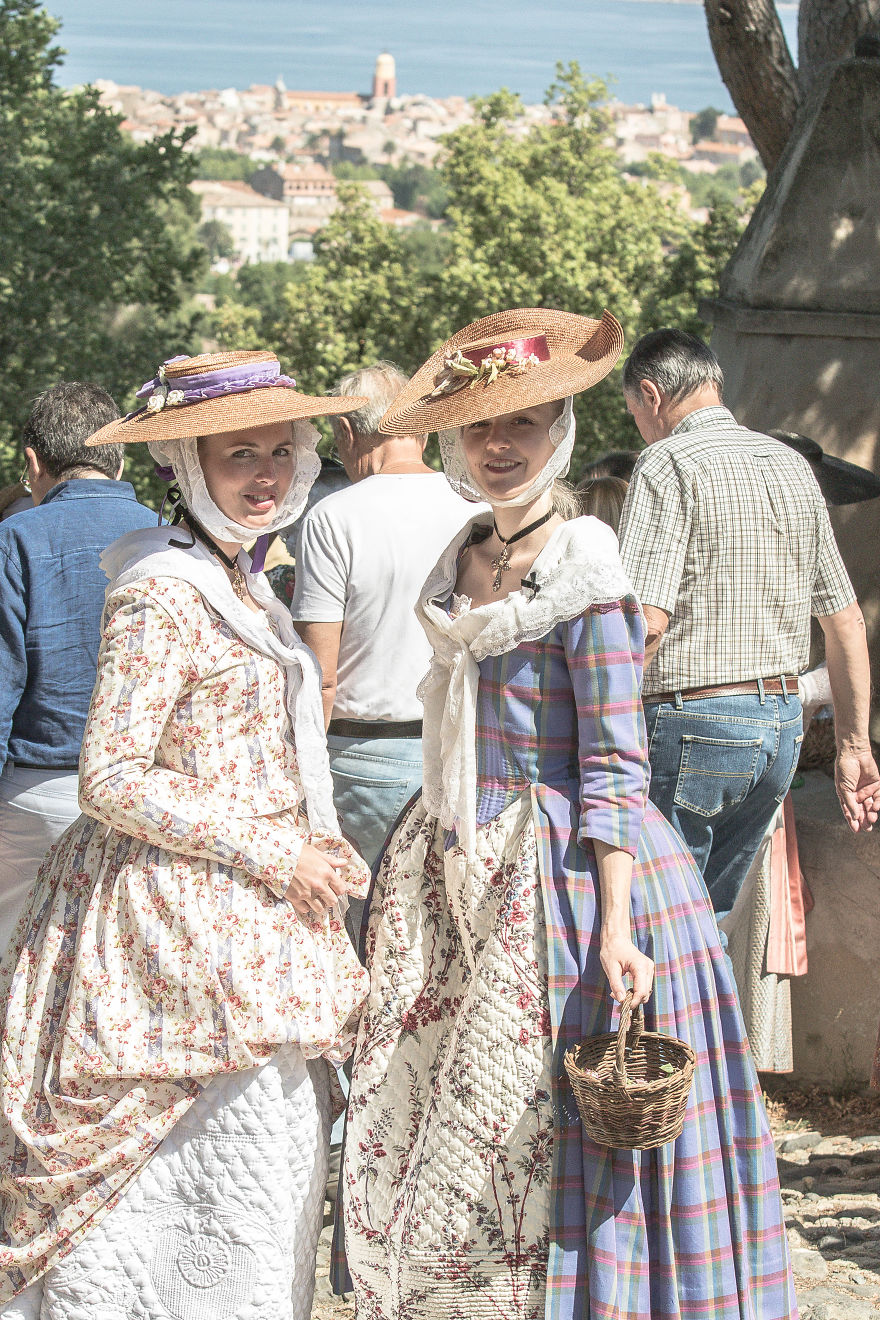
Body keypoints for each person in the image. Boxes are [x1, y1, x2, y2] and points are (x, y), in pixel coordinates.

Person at [339, 309, 798, 1319]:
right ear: (457, 440)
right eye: (481, 430)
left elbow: (614, 763)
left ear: (562, 434)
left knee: (564, 1114)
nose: (501, 448)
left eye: (527, 426)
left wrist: (618, 924)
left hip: (573, 873)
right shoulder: (461, 552)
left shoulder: (587, 568)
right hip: (462, 852)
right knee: (454, 1111)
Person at [0, 351, 373, 1320]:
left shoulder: (242, 582)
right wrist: (273, 850)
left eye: (278, 452)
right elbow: (112, 776)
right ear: (186, 466)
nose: (264, 474)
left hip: (253, 940)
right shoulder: (163, 588)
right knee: (165, 1195)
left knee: (254, 1186)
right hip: (160, 935)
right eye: (235, 453)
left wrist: (311, 842)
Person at [618, 328, 879, 934]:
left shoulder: (665, 462)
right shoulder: (790, 464)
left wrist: (598, 722)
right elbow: (844, 620)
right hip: (779, 730)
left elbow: (645, 624)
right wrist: (853, 745)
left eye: (634, 414)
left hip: (691, 728)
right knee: (709, 929)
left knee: (652, 929)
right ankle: (705, 1029)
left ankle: (664, 1032)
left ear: (651, 395)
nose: (640, 427)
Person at [292, 362, 473, 939]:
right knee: (440, 940)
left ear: (347, 432)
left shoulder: (334, 516)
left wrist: (298, 784)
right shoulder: (476, 507)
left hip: (360, 759)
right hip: (459, 749)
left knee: (357, 940)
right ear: (424, 427)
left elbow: (317, 673)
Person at [0, 383, 155, 955]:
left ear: (33, 464)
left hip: (38, 792)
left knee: (18, 962)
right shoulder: (168, 534)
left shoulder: (13, 539)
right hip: (146, 798)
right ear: (118, 457)